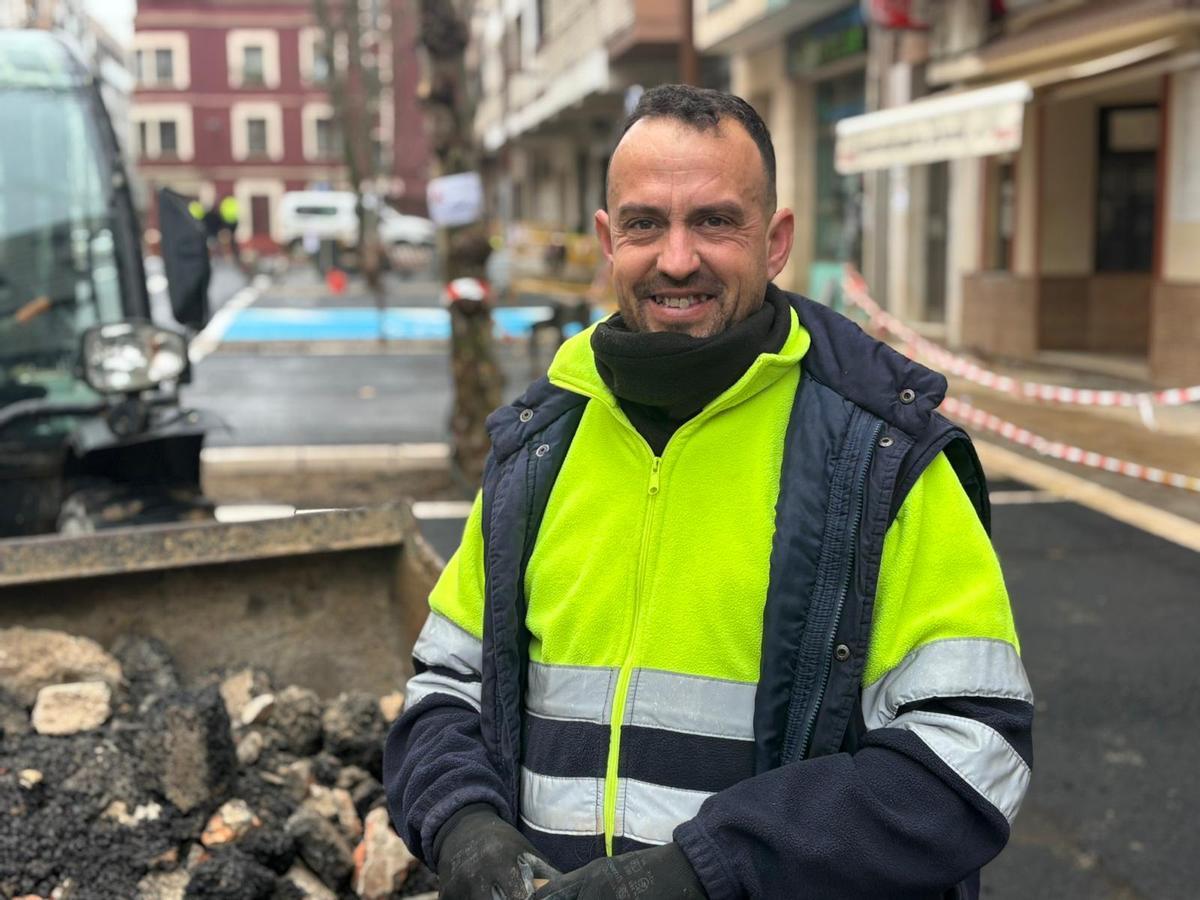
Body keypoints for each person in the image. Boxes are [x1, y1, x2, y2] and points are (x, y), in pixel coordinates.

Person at [384, 84, 1032, 900]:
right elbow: (445, 689)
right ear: (605, 241)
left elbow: (974, 754)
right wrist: (462, 825)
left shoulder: (883, 457)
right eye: (644, 223)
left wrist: (709, 874)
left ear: (776, 241)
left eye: (716, 221)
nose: (677, 258)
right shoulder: (539, 447)